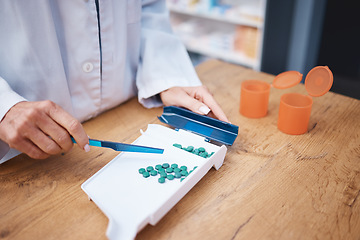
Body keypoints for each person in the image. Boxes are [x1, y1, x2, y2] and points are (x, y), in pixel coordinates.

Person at [0, 0, 228, 163]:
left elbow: (147, 8)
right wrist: (5, 107)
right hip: (25, 152)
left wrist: (166, 77)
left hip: (126, 113)